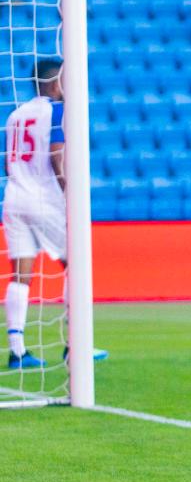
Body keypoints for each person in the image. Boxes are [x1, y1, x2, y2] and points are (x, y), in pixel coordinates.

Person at [3, 61, 107, 368]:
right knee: (74, 263)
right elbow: (56, 153)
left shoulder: (14, 115)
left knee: (21, 274)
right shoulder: (56, 111)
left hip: (14, 197)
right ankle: (74, 345)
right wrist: (68, 189)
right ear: (53, 84)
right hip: (44, 197)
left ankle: (17, 350)